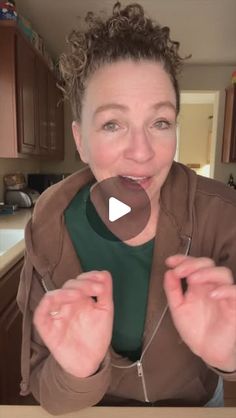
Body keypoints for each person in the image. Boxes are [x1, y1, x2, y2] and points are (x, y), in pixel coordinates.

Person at [17, 2, 236, 415]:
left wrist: (230, 356)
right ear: (80, 140)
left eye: (160, 122)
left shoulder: (224, 217)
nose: (142, 152)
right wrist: (76, 373)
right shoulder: (48, 226)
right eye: (113, 124)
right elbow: (44, 386)